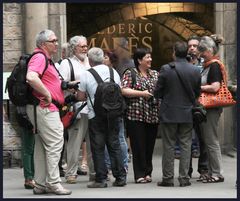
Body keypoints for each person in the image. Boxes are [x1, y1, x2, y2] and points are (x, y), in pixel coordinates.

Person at [26, 29, 71, 195]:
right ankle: (53, 183)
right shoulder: (40, 57)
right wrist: (47, 94)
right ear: (43, 44)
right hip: (45, 108)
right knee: (54, 144)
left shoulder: (45, 59)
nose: (57, 43)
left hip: (41, 109)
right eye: (54, 40)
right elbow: (31, 77)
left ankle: (40, 184)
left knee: (42, 146)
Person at [77, 47, 127, 188]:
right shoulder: (114, 72)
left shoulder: (86, 74)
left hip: (95, 115)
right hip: (113, 114)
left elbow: (80, 97)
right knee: (114, 145)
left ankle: (101, 179)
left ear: (90, 60)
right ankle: (120, 177)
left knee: (98, 148)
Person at [154, 41, 201, 187]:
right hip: (187, 112)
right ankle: (184, 178)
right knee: (186, 144)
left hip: (169, 112)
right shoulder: (194, 70)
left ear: (174, 52)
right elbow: (197, 92)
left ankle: (168, 178)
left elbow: (158, 92)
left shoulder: (166, 69)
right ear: (187, 52)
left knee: (168, 145)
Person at [58, 35, 94, 184]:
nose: (85, 49)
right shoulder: (66, 63)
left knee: (93, 142)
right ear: (74, 48)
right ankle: (71, 173)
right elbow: (60, 83)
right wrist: (78, 83)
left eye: (86, 46)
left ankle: (95, 172)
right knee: (74, 142)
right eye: (82, 46)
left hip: (92, 107)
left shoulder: (89, 62)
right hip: (77, 108)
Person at [121, 48, 160, 184]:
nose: (150, 60)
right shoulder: (130, 73)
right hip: (135, 115)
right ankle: (139, 174)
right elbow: (124, 90)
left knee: (150, 145)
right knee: (138, 145)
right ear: (139, 60)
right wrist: (142, 93)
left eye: (150, 57)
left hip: (153, 114)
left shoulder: (155, 74)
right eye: (147, 57)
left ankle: (148, 172)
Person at [197, 34, 225, 183]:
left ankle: (217, 173)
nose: (201, 54)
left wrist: (198, 87)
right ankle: (212, 171)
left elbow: (215, 87)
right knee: (208, 140)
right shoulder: (209, 65)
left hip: (212, 108)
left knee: (211, 140)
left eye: (203, 51)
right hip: (208, 107)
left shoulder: (214, 65)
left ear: (210, 50)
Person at [103, 50, 129, 174]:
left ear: (111, 60)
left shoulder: (113, 73)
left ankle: (121, 164)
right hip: (115, 108)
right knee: (117, 137)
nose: (103, 59)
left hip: (113, 109)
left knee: (118, 137)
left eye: (106, 57)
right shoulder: (114, 73)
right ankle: (117, 164)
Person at [16, 107, 35, 189]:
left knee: (31, 150)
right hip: (28, 119)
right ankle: (29, 178)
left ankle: (31, 177)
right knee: (29, 150)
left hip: (28, 119)